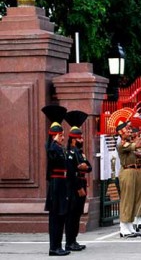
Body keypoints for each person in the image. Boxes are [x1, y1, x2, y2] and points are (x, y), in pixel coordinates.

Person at [41, 105, 70, 256]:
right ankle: (54, 247)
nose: (63, 137)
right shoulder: (53, 148)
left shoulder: (59, 148)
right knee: (55, 218)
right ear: (54, 135)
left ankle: (58, 245)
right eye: (60, 135)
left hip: (61, 184)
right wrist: (54, 141)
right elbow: (52, 153)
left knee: (60, 216)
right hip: (56, 185)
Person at [116, 120, 141, 238]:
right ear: (121, 133)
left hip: (136, 172)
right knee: (127, 199)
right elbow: (137, 146)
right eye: (127, 130)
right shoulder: (122, 144)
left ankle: (129, 225)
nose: (130, 131)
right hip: (128, 172)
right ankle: (123, 226)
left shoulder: (131, 142)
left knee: (135, 199)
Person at [64, 110, 91, 251]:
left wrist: (84, 167)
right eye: (80, 138)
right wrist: (78, 188)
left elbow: (89, 167)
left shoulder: (80, 153)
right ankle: (69, 242)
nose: (82, 140)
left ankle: (74, 240)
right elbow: (71, 173)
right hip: (74, 188)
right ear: (74, 139)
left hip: (82, 185)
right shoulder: (70, 154)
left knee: (77, 215)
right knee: (72, 215)